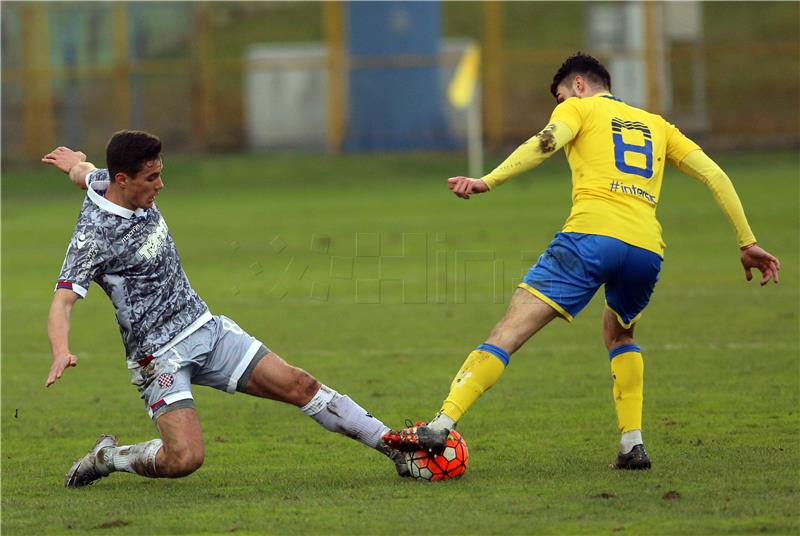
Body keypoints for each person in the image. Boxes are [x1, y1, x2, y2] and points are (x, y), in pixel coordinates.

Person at [382, 53, 781, 469]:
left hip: (589, 238)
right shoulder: (659, 125)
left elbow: (546, 142)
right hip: (645, 250)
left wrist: (487, 180)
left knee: (510, 330)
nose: (558, 106)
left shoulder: (578, 107)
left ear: (577, 85)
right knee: (620, 333)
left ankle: (442, 424)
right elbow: (715, 175)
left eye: (558, 96)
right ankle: (632, 444)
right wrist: (746, 241)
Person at [43, 131, 408, 487]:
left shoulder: (106, 181)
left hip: (206, 329)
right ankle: (109, 458)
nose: (161, 185)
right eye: (152, 178)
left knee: (301, 384)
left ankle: (395, 446)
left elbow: (85, 173)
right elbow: (62, 301)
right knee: (184, 459)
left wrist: (73, 163)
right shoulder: (92, 238)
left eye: (161, 173)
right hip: (158, 358)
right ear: (124, 181)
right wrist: (61, 351)